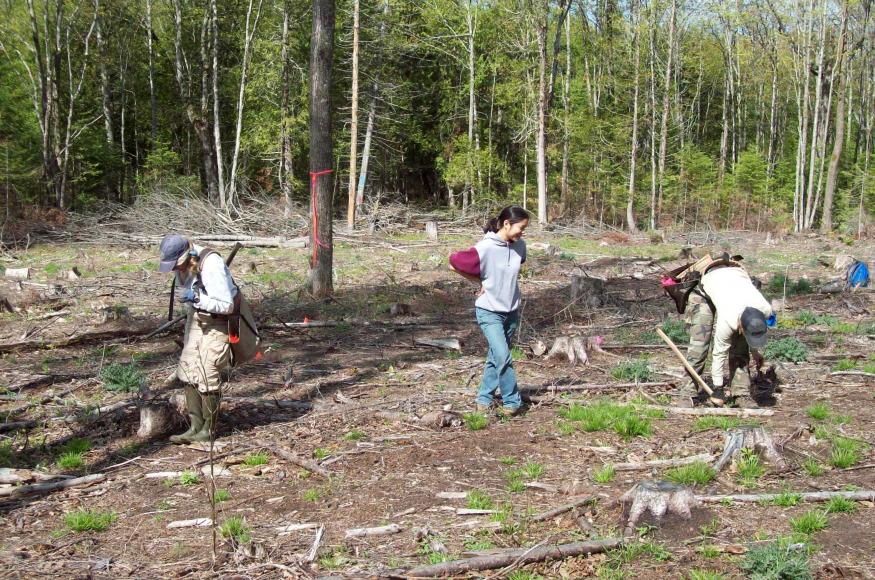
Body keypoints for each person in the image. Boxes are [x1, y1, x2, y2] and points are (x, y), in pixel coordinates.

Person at [449, 205, 529, 416]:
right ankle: (512, 402)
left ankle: (484, 398)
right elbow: (453, 263)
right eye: (520, 228)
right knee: (503, 356)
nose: (522, 233)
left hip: (511, 310)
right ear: (506, 224)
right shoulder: (485, 247)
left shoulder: (520, 246)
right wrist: (478, 281)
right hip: (489, 310)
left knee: (497, 356)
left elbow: (517, 264)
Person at [158, 234, 238, 443]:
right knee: (188, 369)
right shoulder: (183, 268)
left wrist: (197, 298)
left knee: (207, 372)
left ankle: (208, 430)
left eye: (178, 264)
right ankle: (195, 426)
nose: (176, 269)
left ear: (187, 255)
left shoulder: (211, 264)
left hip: (219, 320)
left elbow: (227, 305)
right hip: (196, 318)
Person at [683, 256, 773, 405]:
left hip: (734, 280)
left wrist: (755, 352)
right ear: (740, 324)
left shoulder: (765, 309)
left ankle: (741, 393)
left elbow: (753, 330)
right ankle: (688, 392)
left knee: (741, 347)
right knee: (699, 346)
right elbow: (719, 354)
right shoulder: (728, 319)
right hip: (704, 290)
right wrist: (718, 389)